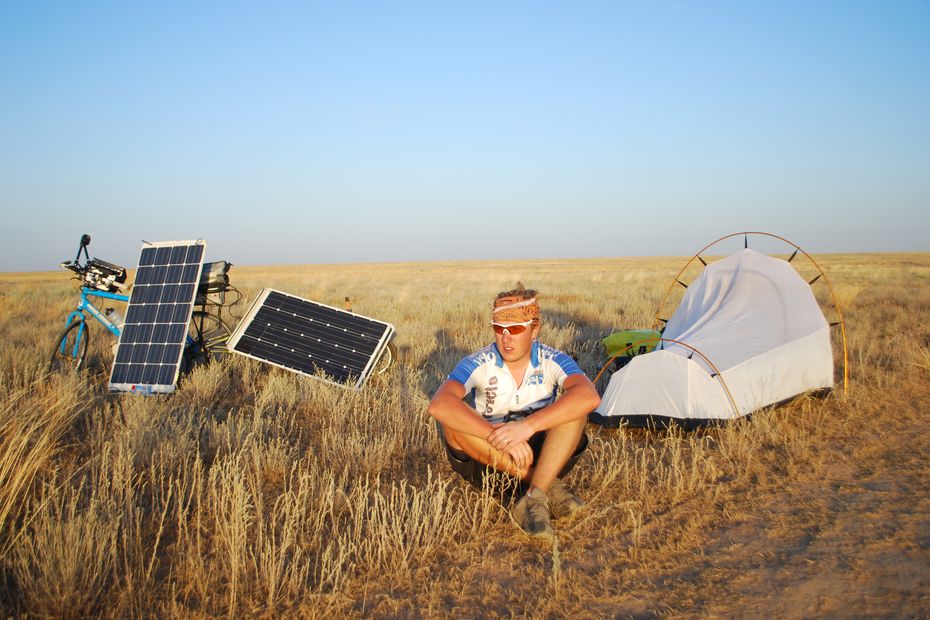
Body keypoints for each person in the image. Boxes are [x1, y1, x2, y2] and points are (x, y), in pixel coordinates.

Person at [427, 285, 601, 540]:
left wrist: (527, 427)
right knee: (452, 423)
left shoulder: (553, 358)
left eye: (516, 329)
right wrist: (497, 435)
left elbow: (589, 396)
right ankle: (546, 488)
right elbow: (439, 404)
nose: (506, 338)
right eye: (499, 329)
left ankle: (532, 498)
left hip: (543, 455)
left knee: (575, 410)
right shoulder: (477, 361)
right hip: (490, 460)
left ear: (535, 329)